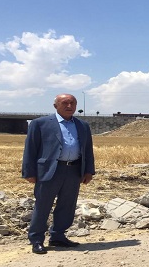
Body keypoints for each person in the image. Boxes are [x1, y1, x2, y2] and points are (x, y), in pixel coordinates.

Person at [21, 93, 95, 254]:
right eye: (65, 103)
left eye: (72, 103)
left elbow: (87, 150)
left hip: (73, 170)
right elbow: (30, 149)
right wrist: (29, 172)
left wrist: (89, 170)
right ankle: (36, 240)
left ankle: (58, 236)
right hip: (48, 171)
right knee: (43, 205)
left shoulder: (82, 125)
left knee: (67, 206)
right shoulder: (39, 124)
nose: (69, 106)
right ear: (56, 106)